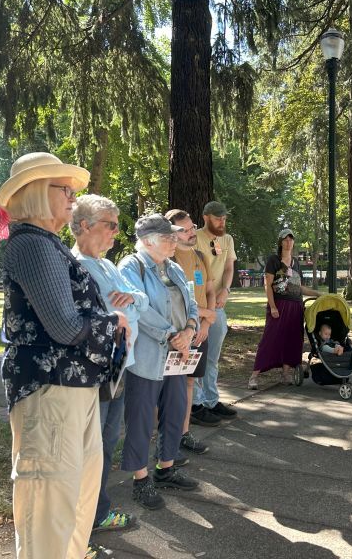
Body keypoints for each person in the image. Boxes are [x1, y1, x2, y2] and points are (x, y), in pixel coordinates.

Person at [0, 152, 129, 559]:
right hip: (51, 392)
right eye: (66, 190)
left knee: (75, 500)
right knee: (51, 507)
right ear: (40, 193)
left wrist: (106, 321)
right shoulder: (33, 246)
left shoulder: (48, 245)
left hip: (71, 389)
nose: (73, 199)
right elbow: (64, 326)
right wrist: (113, 323)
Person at [71, 195, 148, 535]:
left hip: (120, 367)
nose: (117, 232)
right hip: (95, 371)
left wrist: (130, 300)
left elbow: (139, 303)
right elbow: (96, 320)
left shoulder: (108, 265)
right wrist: (123, 312)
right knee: (90, 446)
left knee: (106, 443)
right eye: (111, 225)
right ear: (84, 225)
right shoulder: (74, 267)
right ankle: (82, 519)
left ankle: (96, 512)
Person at [117, 215, 200, 511]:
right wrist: (171, 335)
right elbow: (137, 307)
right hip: (148, 354)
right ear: (148, 240)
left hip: (179, 352)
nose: (175, 241)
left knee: (175, 409)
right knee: (140, 416)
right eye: (168, 237)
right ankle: (141, 480)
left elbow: (190, 302)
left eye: (174, 236)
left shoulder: (174, 267)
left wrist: (189, 329)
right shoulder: (131, 266)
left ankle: (166, 468)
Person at [166, 208, 219, 450]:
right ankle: (166, 437)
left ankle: (184, 433)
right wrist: (205, 314)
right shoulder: (167, 260)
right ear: (171, 234)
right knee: (169, 386)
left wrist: (206, 323)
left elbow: (209, 291)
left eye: (191, 227)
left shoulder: (200, 255)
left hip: (200, 331)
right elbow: (174, 301)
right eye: (185, 230)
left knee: (189, 383)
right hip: (178, 333)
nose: (191, 233)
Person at [248, 228, 321, 389]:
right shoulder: (273, 260)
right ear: (280, 242)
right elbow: (268, 285)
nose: (288, 242)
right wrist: (273, 306)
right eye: (285, 240)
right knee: (270, 339)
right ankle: (254, 376)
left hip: (296, 306)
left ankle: (286, 374)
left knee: (292, 340)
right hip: (279, 305)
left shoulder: (296, 262)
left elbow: (299, 287)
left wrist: (318, 294)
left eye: (291, 239)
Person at [192, 201, 238, 423]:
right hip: (199, 306)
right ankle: (196, 404)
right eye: (218, 218)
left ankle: (211, 400)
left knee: (212, 357)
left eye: (224, 218)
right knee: (198, 355)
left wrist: (226, 290)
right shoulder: (195, 237)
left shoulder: (227, 239)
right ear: (206, 217)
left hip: (218, 306)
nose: (222, 221)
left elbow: (229, 268)